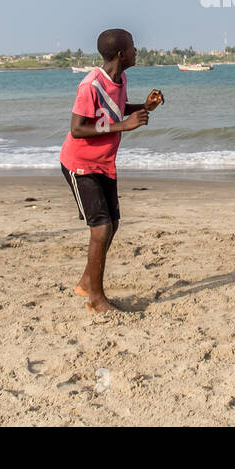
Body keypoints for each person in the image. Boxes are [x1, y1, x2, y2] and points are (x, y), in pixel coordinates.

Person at [59, 28, 163, 313]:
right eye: (132, 47)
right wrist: (123, 126)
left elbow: (115, 108)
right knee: (101, 228)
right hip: (80, 164)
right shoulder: (90, 85)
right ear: (121, 53)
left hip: (105, 163)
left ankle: (85, 283)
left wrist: (144, 106)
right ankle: (96, 299)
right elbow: (77, 128)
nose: (136, 51)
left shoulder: (121, 78)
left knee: (112, 224)